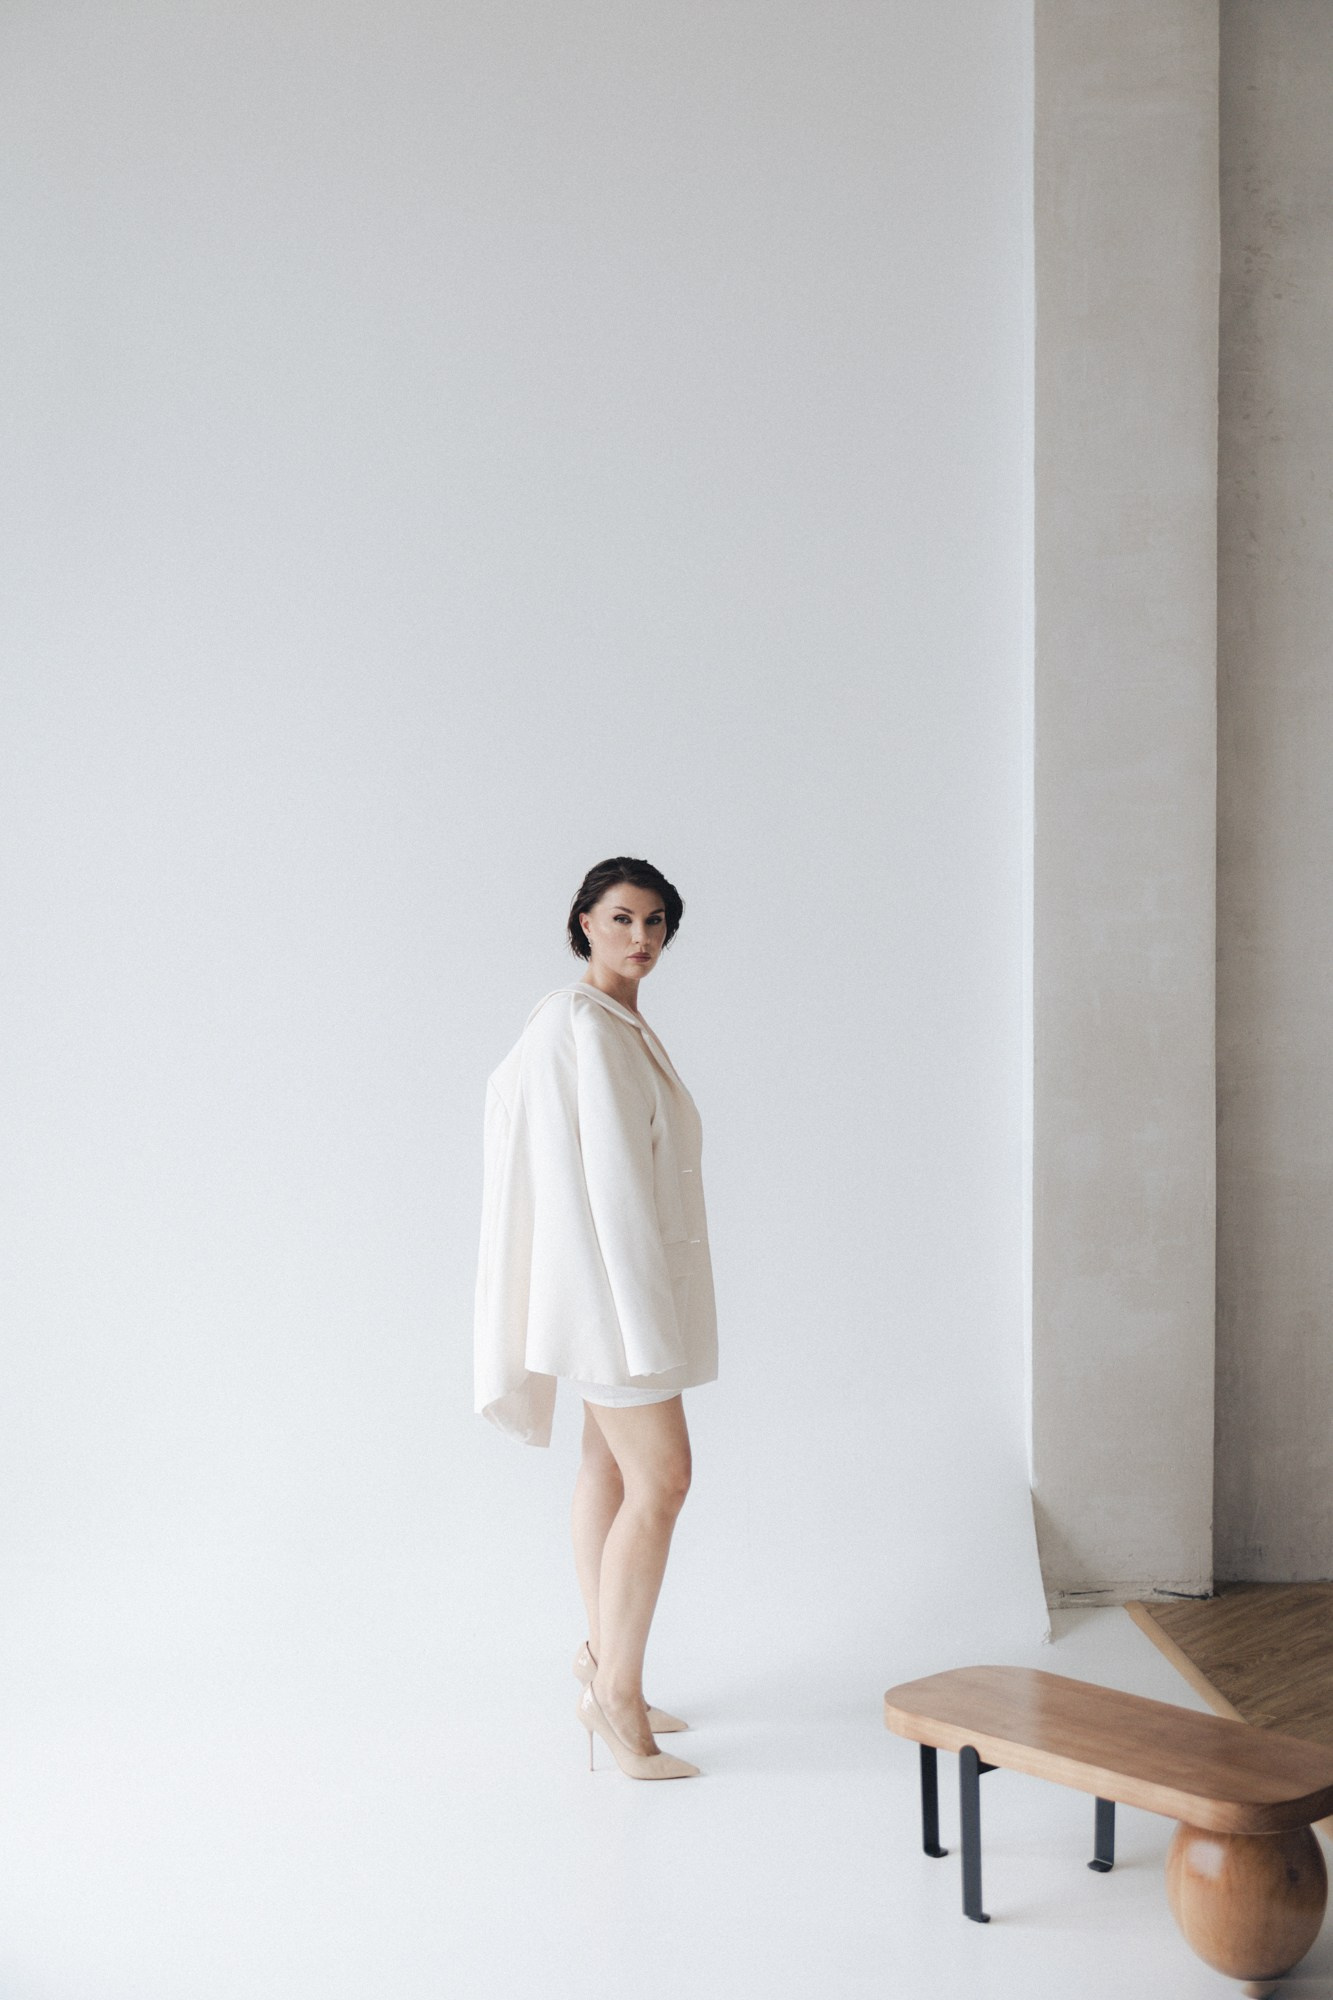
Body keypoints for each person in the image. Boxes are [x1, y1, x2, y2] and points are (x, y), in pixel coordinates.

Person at [473, 856, 718, 1781]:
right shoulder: (579, 1023)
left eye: (655, 922)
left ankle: (602, 1663)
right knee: (665, 1480)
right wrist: (638, 1320)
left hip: (610, 1294)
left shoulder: (611, 1022)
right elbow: (605, 1188)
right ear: (583, 922)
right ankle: (615, 1697)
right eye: (621, 918)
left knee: (608, 1468)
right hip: (613, 1300)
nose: (640, 937)